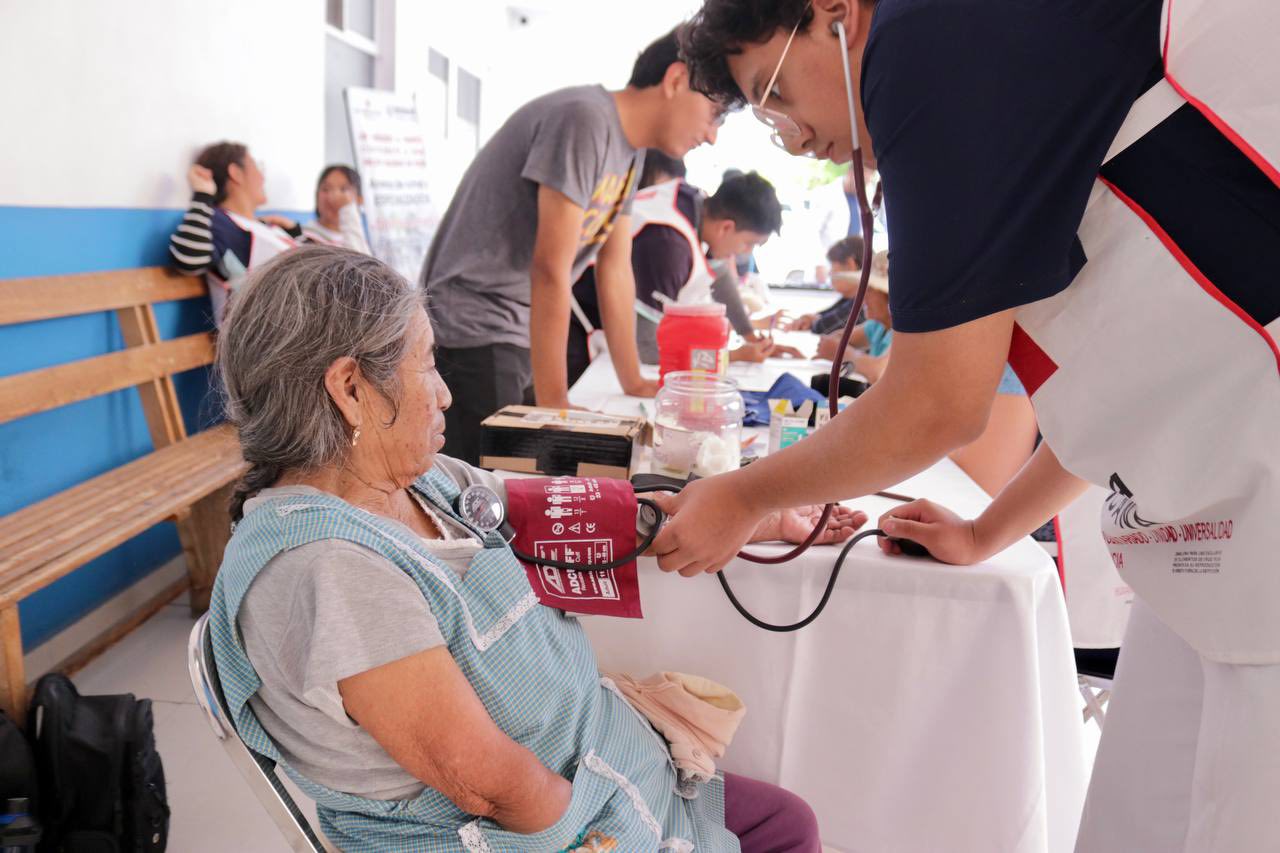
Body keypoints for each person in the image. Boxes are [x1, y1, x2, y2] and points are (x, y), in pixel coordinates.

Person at [658, 1, 1280, 850]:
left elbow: (935, 402)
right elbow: (1127, 385)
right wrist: (989, 529)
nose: (798, 138)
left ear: (835, 15)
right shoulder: (1010, 91)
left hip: (1256, 517)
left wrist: (740, 496)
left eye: (772, 97)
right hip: (1213, 525)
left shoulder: (932, 40)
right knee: (1133, 821)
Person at [210, 245, 862, 851]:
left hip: (595, 756)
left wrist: (752, 514)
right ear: (350, 388)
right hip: (540, 825)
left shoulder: (421, 482)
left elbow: (559, 514)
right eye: (428, 362)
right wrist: (600, 831)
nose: (445, 392)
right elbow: (489, 783)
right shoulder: (330, 572)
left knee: (787, 823)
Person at [421, 27, 725, 465]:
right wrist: (555, 406)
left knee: (529, 470)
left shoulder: (630, 152)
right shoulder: (584, 119)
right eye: (713, 114)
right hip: (475, 320)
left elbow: (615, 269)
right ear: (676, 80)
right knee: (488, 486)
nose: (711, 135)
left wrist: (632, 378)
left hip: (512, 324)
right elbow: (550, 267)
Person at [567, 167, 798, 383]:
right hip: (579, 334)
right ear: (726, 227)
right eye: (749, 244)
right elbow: (648, 349)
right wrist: (733, 356)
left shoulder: (695, 202)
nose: (744, 253)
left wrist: (749, 335)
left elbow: (719, 274)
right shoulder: (668, 245)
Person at [167, 141, 301, 325]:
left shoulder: (263, 225)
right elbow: (188, 260)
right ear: (236, 173)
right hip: (269, 337)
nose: (263, 177)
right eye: (256, 166)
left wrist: (294, 231)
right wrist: (203, 194)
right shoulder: (220, 222)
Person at [787, 235, 864, 338]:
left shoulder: (865, 302)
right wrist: (812, 319)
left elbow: (825, 327)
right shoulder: (852, 298)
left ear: (851, 264)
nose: (830, 273)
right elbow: (828, 316)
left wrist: (814, 320)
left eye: (832, 265)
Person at [302, 165, 371, 253]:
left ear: (359, 200)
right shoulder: (306, 237)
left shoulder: (359, 240)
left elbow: (362, 263)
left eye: (343, 190)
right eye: (326, 189)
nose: (333, 197)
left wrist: (348, 211)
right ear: (316, 195)